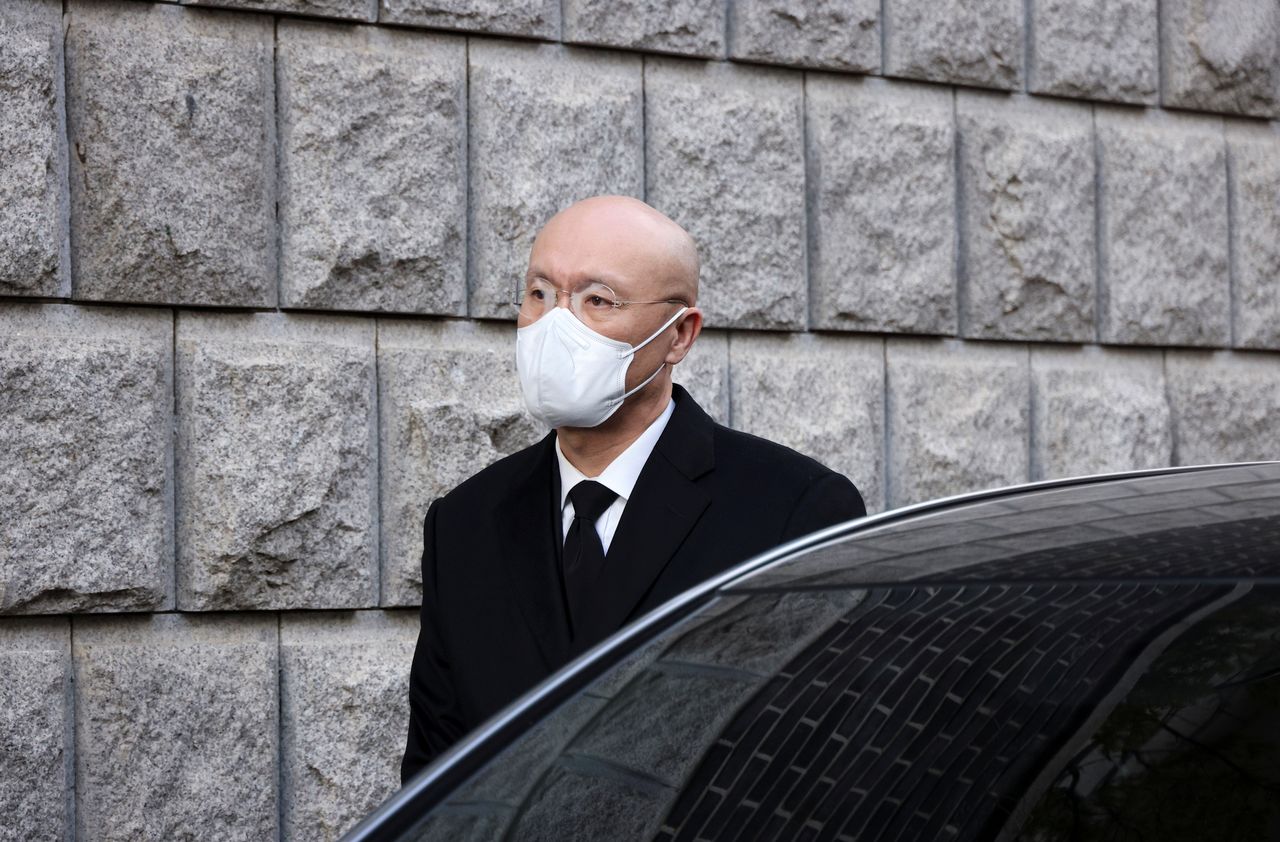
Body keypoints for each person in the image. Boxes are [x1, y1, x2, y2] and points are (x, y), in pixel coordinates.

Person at [401, 196, 865, 783]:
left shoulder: (792, 511)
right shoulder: (465, 523)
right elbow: (436, 774)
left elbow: (815, 767)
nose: (555, 326)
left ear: (679, 336)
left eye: (598, 301)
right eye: (540, 294)